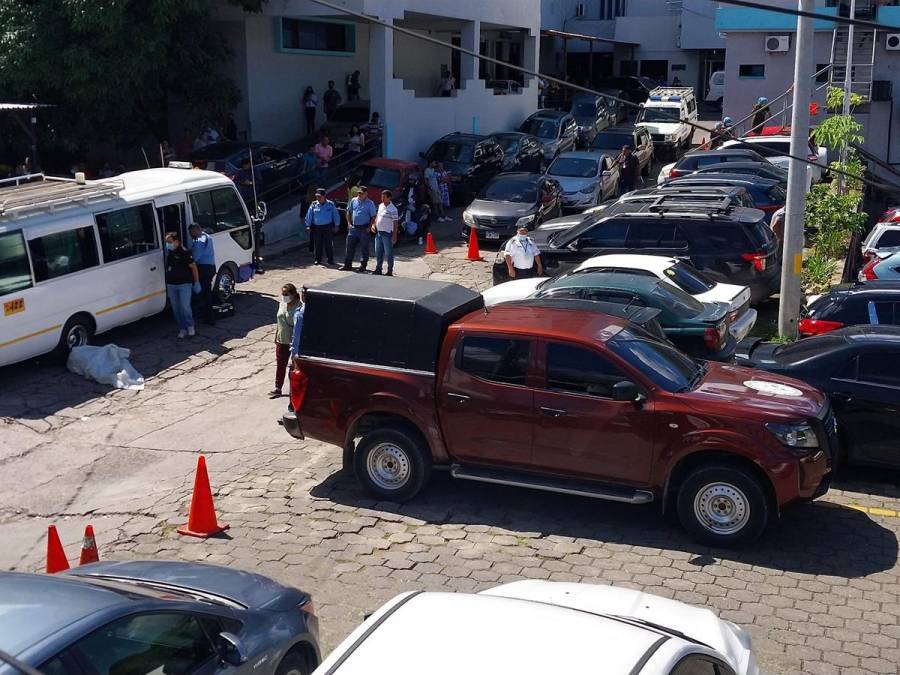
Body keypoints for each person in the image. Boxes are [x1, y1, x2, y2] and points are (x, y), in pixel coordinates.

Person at [164, 231, 201, 339]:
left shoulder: (184, 252)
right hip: (172, 285)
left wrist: (197, 282)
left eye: (169, 242)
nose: (168, 244)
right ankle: (182, 328)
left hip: (184, 284)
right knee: (176, 308)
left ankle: (190, 326)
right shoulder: (170, 253)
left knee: (185, 307)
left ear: (177, 242)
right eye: (166, 242)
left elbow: (193, 267)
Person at [271, 283, 303, 398]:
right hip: (281, 340)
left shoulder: (300, 307)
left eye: (286, 294)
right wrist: (276, 336)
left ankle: (294, 391)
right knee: (280, 365)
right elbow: (279, 321)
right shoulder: (282, 304)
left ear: (293, 294)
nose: (284, 296)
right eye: (283, 294)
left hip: (293, 342)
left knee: (294, 368)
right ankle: (277, 388)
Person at [342, 185, 377, 271]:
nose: (359, 195)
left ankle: (363, 265)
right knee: (349, 246)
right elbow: (348, 211)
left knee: (364, 248)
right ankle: (347, 264)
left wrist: (369, 227)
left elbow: (373, 216)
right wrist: (349, 223)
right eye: (358, 193)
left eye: (361, 193)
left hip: (364, 228)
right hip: (353, 228)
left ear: (366, 194)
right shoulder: (354, 200)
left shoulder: (370, 203)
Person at [189, 223, 216, 325]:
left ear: (196, 230)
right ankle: (208, 316)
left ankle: (209, 318)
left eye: (191, 233)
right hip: (210, 267)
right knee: (206, 293)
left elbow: (195, 257)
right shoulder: (207, 236)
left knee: (204, 294)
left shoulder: (200, 241)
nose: (191, 235)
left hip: (204, 269)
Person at [305, 188, 341, 265]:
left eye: (320, 196)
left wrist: (337, 225)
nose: (318, 198)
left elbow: (336, 215)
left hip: (328, 226)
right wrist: (308, 225)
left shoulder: (330, 204)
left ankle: (330, 259)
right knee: (318, 244)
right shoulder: (314, 204)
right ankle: (318, 259)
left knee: (328, 244)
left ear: (324, 196)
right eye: (317, 196)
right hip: (317, 227)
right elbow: (309, 215)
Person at [373, 189, 399, 276]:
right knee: (378, 252)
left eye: (384, 197)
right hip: (379, 233)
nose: (382, 198)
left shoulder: (393, 209)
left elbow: (395, 223)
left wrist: (394, 235)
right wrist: (374, 224)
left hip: (387, 233)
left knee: (388, 253)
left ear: (389, 198)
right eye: (382, 197)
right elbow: (377, 216)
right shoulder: (381, 205)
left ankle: (389, 270)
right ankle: (378, 269)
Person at [289, 286, 307, 362]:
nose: (302, 295)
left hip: (299, 352)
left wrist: (294, 354)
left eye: (303, 294)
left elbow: (297, 335)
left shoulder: (302, 312)